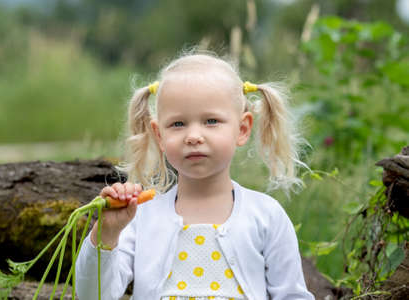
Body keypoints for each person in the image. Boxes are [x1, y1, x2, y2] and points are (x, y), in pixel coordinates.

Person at [76, 51, 314, 300]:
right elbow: (93, 296)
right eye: (178, 124)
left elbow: (291, 295)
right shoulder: (141, 217)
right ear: (159, 135)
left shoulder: (266, 215)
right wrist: (107, 233)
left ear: (242, 129)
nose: (193, 136)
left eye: (211, 121)